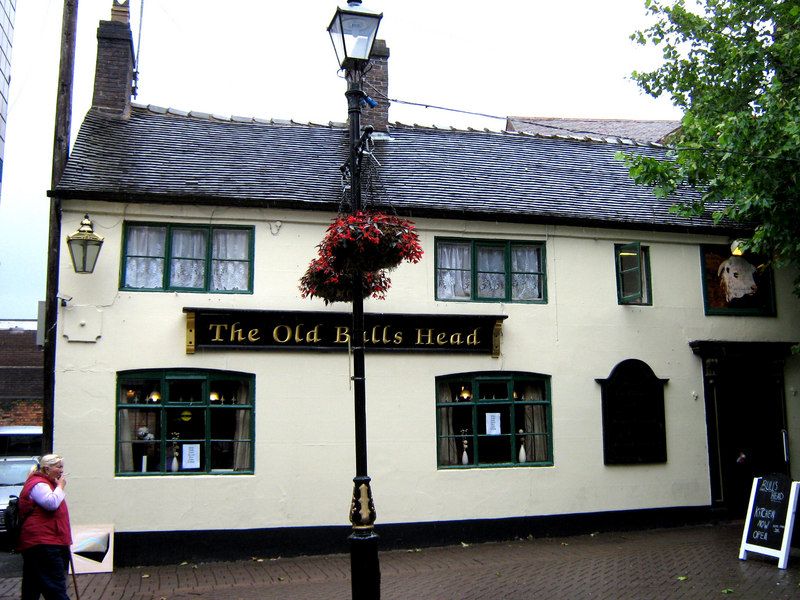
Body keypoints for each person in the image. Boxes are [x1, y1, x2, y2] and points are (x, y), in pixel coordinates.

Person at [17, 454, 72, 600]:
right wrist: (60, 486)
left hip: (43, 541)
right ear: (47, 469)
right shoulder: (38, 484)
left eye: (62, 467)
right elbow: (51, 503)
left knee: (32, 585)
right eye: (58, 467)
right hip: (44, 542)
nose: (61, 471)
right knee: (54, 586)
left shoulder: (44, 483)